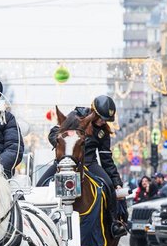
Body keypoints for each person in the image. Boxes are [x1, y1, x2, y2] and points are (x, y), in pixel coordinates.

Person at [44, 95, 127, 237]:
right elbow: (54, 132)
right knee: (42, 183)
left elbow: (106, 158)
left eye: (106, 120)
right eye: (100, 117)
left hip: (90, 163)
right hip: (66, 162)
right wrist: (61, 143)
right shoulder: (75, 116)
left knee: (108, 186)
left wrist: (116, 182)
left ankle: (113, 222)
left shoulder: (103, 132)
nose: (102, 122)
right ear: (93, 112)